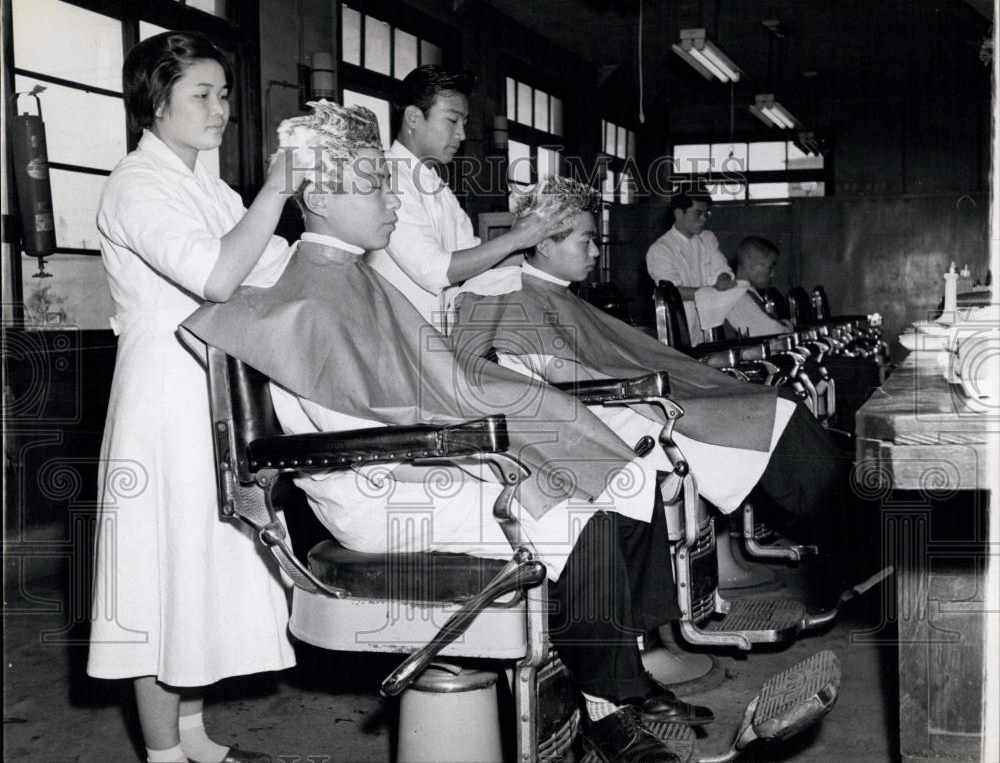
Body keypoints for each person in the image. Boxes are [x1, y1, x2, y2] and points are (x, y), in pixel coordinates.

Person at [182, 101, 714, 763]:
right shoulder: (308, 300)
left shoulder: (355, 281)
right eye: (376, 183)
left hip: (418, 465)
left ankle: (605, 697)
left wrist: (527, 426)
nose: (392, 200)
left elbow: (434, 385)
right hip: (380, 495)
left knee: (622, 483)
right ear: (317, 194)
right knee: (589, 518)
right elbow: (364, 432)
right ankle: (606, 713)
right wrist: (483, 457)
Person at [89, 31, 297, 763]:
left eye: (224, 93)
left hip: (214, 386)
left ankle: (194, 736)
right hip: (161, 395)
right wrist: (278, 188)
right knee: (157, 571)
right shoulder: (134, 185)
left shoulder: (210, 187)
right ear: (157, 102)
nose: (222, 109)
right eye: (202, 95)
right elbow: (214, 275)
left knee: (202, 563)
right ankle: (162, 753)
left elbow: (273, 266)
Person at [453, 176, 843, 551]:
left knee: (780, 402)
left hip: (639, 396)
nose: (595, 252)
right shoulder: (513, 295)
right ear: (545, 244)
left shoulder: (557, 293)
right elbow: (567, 375)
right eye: (586, 241)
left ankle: (847, 528)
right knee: (778, 414)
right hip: (621, 415)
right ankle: (851, 537)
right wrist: (657, 392)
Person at [366, 65, 572, 332]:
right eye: (452, 120)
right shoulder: (388, 179)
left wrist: (544, 243)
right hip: (394, 339)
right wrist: (517, 238)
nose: (462, 135)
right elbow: (434, 269)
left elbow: (476, 264)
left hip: (433, 339)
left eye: (464, 123)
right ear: (414, 118)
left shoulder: (438, 188)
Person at [645, 188, 743, 345]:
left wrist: (723, 277)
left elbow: (720, 266)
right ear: (678, 213)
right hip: (680, 322)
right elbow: (673, 292)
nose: (704, 219)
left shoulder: (708, 238)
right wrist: (713, 292)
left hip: (709, 320)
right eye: (697, 213)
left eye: (706, 213)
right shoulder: (660, 249)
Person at [724, 236, 795, 337]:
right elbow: (773, 331)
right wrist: (788, 325)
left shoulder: (747, 292)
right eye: (770, 267)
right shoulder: (737, 297)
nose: (772, 274)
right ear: (750, 264)